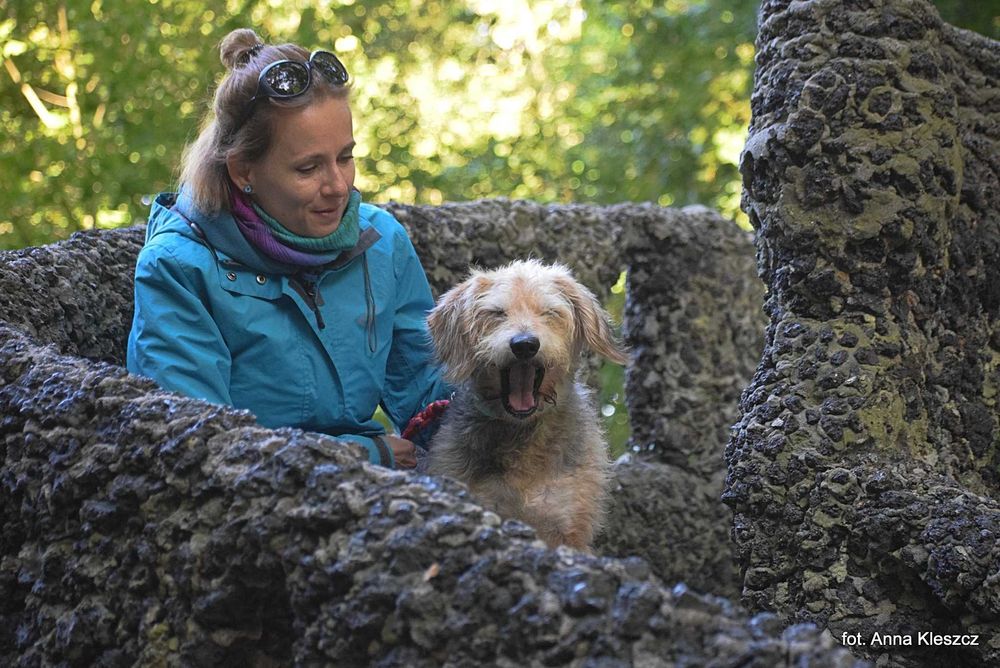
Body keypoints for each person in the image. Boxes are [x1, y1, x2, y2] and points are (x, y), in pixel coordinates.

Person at [127, 28, 448, 469]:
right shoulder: (178, 269)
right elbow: (190, 448)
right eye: (308, 167)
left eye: (345, 157)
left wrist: (501, 401)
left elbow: (426, 390)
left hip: (379, 487)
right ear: (244, 171)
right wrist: (358, 455)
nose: (338, 186)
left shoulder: (381, 242)